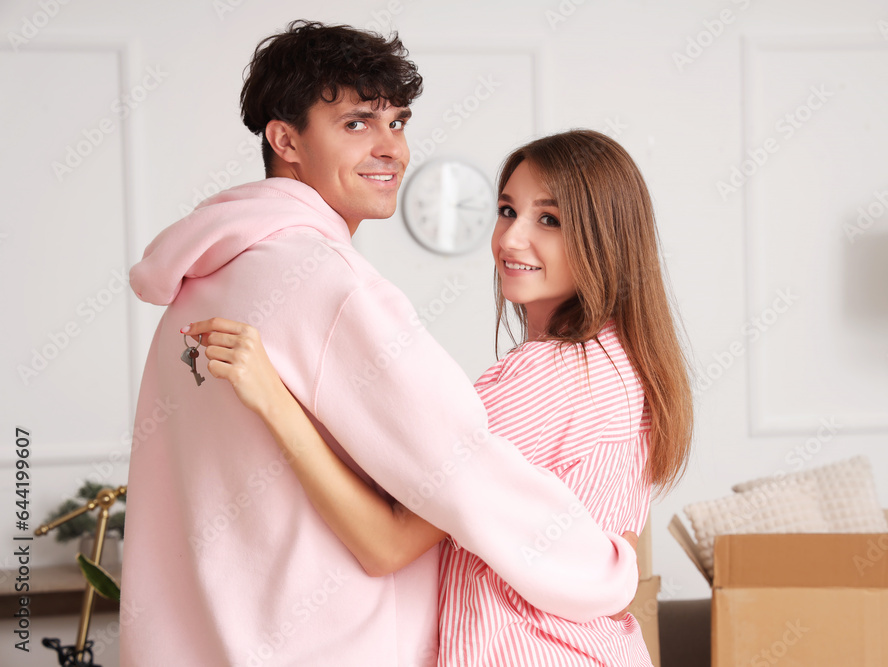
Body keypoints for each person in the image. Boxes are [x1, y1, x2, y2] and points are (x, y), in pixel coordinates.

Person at [121, 22, 640, 667]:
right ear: (285, 139)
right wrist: (611, 568)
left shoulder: (202, 282)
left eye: (397, 122)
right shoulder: (331, 286)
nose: (391, 148)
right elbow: (464, 473)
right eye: (357, 124)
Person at [185, 129, 694, 665]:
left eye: (550, 220)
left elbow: (386, 544)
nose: (511, 239)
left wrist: (272, 397)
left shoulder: (546, 378)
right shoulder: (625, 364)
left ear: (604, 238)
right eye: (506, 210)